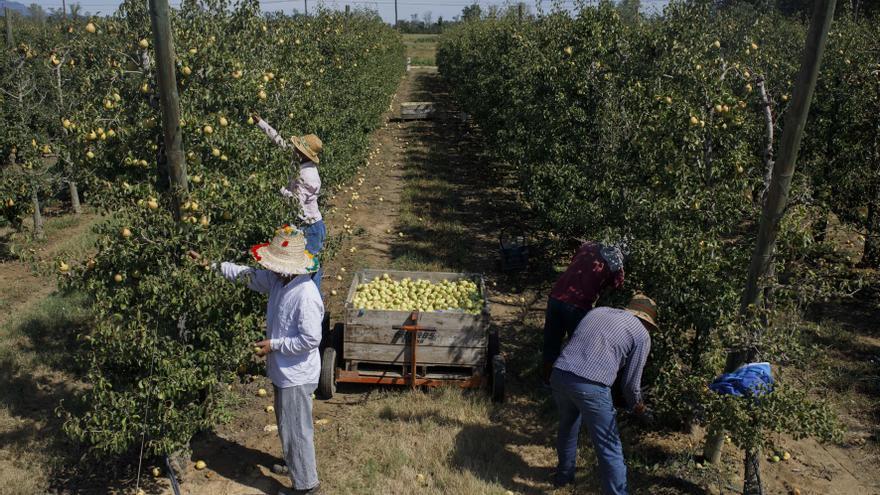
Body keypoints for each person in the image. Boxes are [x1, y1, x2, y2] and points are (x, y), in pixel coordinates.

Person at [192, 226, 323, 495]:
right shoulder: (278, 280)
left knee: (297, 429)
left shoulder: (306, 295)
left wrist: (273, 345)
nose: (270, 268)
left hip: (296, 374)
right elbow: (246, 275)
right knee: (287, 423)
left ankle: (307, 486)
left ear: (289, 267)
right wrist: (211, 265)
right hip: (283, 371)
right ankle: (294, 464)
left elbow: (311, 340)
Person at [550, 294, 657, 494]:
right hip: (591, 386)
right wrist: (639, 408)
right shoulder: (642, 334)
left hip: (560, 373)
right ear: (646, 321)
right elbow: (630, 384)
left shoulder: (598, 311)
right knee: (609, 447)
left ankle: (563, 478)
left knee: (568, 425)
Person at [253, 113, 326, 290]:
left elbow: (296, 203)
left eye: (297, 148)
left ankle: (314, 309)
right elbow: (280, 143)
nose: (293, 149)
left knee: (309, 270)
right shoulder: (299, 160)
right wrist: (261, 123)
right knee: (297, 270)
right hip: (302, 225)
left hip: (310, 228)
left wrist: (275, 186)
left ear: (304, 154)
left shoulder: (309, 176)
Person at [542, 241, 626, 383]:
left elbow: (574, 262)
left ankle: (547, 380)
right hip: (577, 304)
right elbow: (617, 285)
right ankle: (571, 383)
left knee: (551, 342)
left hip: (556, 297)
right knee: (579, 347)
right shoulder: (616, 261)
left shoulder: (588, 246)